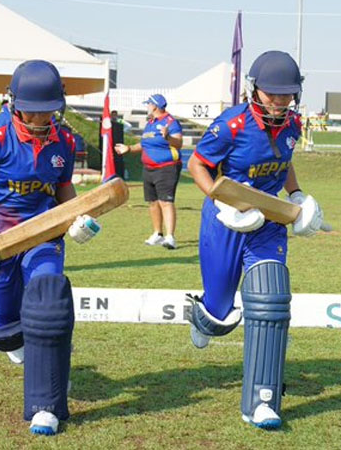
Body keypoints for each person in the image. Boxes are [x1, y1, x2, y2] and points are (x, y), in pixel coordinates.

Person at [0, 60, 100, 436]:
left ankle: (45, 402)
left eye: (49, 110)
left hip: (44, 235)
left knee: (48, 299)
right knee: (4, 331)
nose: (41, 118)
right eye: (34, 110)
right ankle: (14, 338)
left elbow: (63, 187)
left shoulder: (63, 140)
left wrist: (75, 216)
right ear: (14, 103)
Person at [186, 50, 326, 430]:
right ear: (255, 90)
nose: (280, 102)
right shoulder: (232, 124)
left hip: (267, 222)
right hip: (225, 221)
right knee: (219, 314)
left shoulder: (294, 124)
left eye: (287, 95)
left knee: (271, 298)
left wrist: (296, 196)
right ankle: (200, 316)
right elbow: (196, 164)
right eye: (273, 94)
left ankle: (261, 402)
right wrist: (221, 202)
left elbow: (285, 161)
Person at [114, 94, 182, 249]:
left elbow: (179, 143)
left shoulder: (170, 122)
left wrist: (168, 137)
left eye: (148, 104)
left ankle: (170, 237)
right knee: (152, 202)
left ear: (155, 106)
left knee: (166, 202)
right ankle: (158, 234)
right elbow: (145, 144)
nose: (147, 107)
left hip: (166, 168)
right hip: (149, 168)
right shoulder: (150, 123)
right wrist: (129, 148)